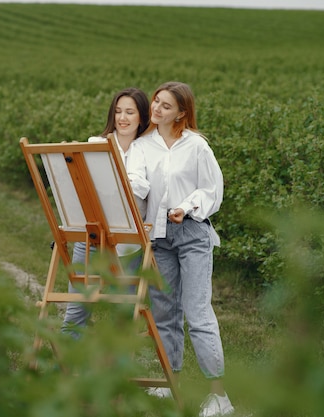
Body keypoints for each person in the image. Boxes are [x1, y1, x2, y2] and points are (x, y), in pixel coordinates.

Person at [127, 81, 234, 417]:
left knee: (197, 312)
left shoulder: (197, 147)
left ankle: (220, 396)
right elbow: (137, 180)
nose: (156, 109)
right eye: (155, 102)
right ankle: (168, 383)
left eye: (165, 106)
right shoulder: (143, 146)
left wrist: (185, 206)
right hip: (159, 237)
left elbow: (211, 190)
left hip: (191, 233)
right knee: (164, 312)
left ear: (182, 113)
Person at [60, 87, 150, 339]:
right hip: (92, 239)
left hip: (127, 243)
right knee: (77, 311)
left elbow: (141, 188)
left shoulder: (146, 150)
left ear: (141, 117)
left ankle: (114, 374)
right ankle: (64, 373)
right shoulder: (95, 144)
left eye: (130, 112)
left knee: (123, 315)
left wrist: (116, 182)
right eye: (118, 111)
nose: (123, 117)